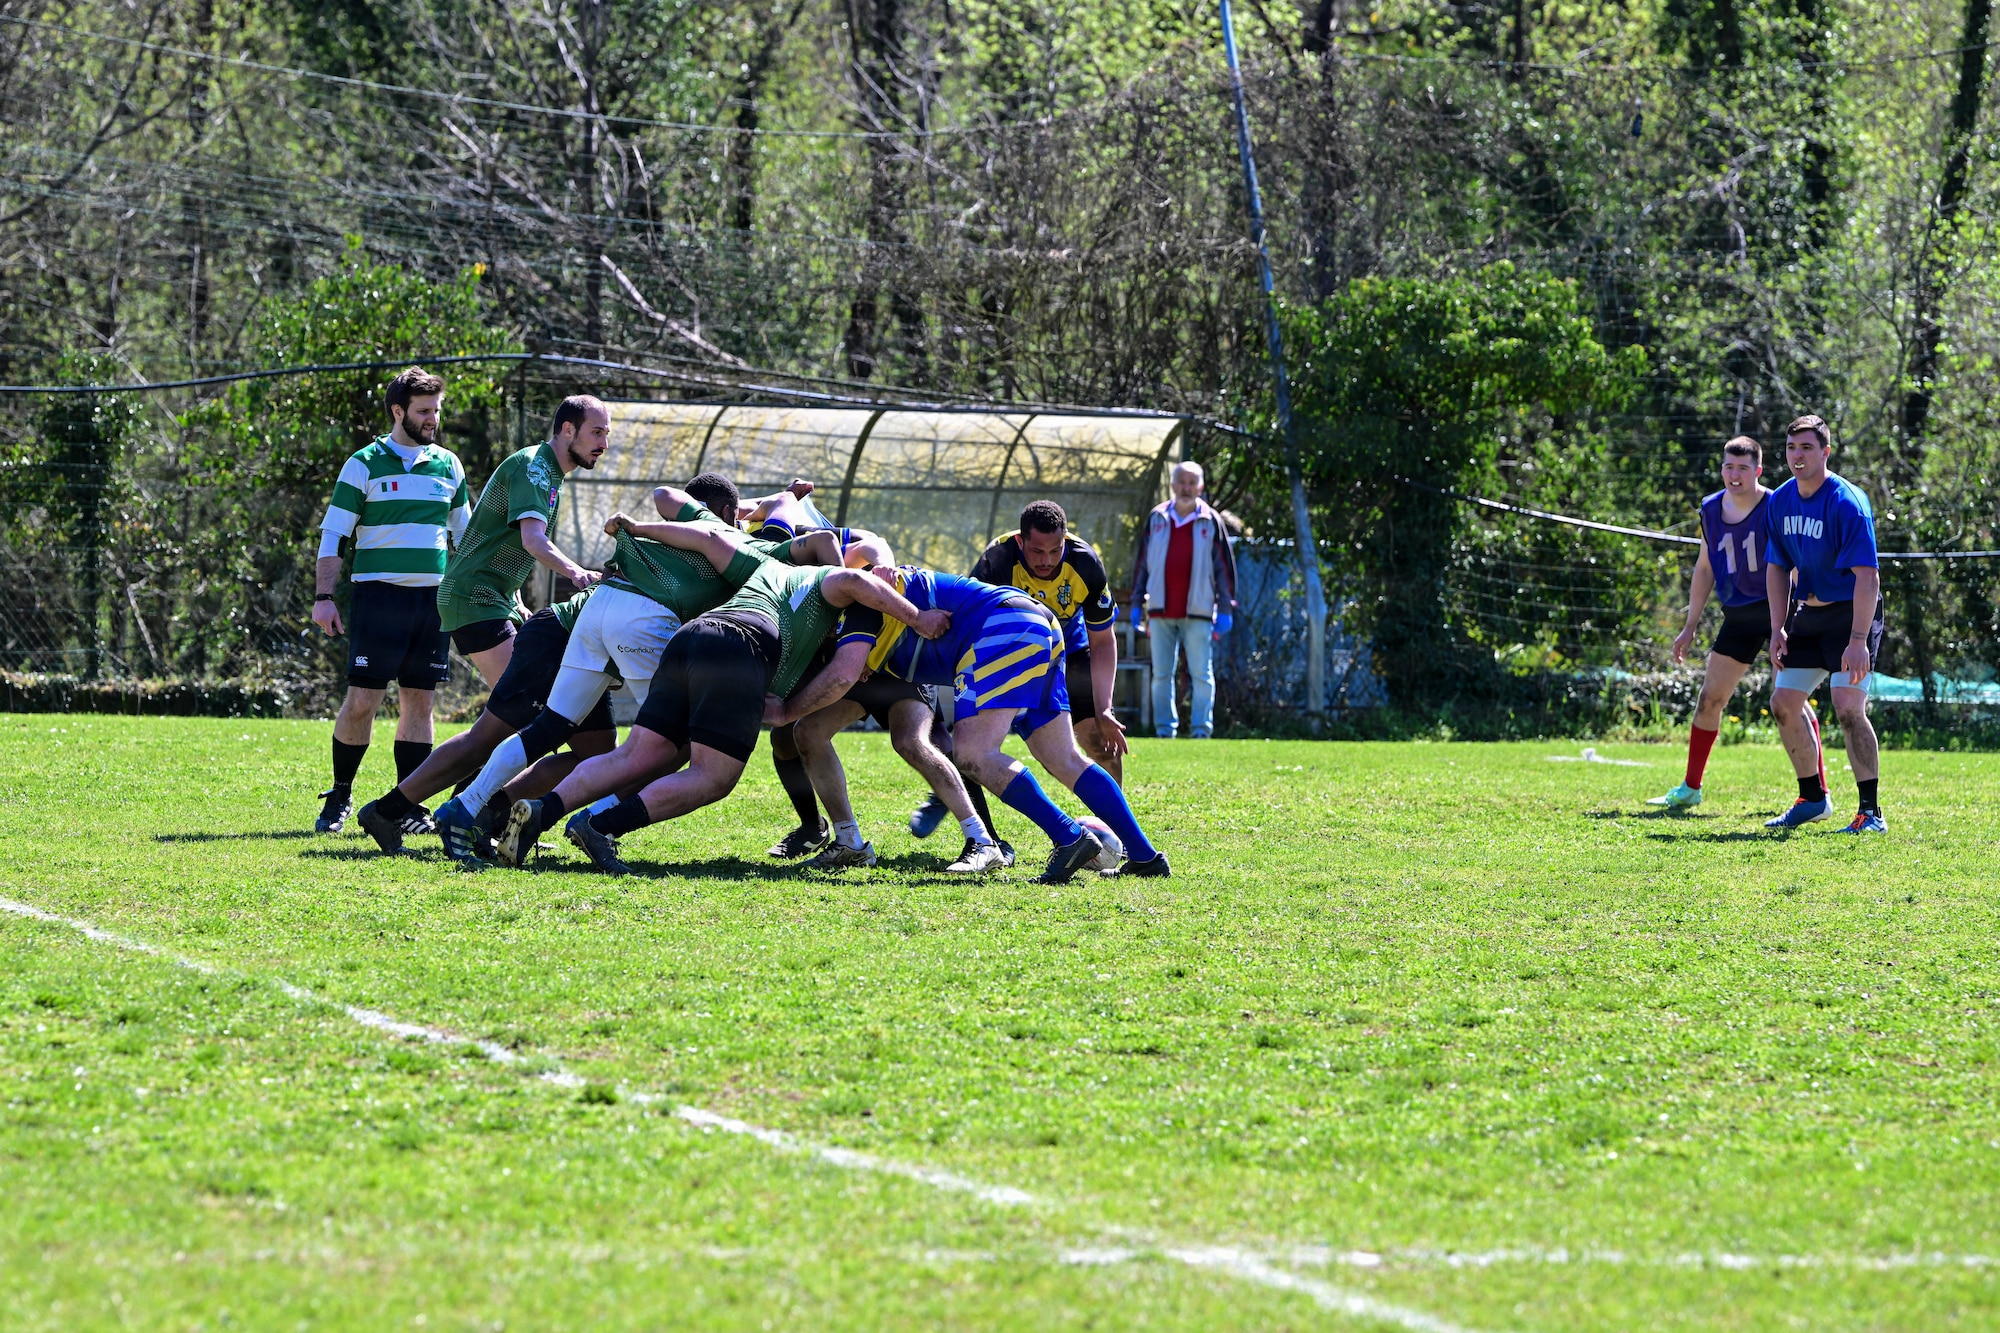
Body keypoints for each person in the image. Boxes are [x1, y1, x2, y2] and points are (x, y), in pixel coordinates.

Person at [429, 478, 835, 864]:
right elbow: (815, 538)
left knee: (549, 726)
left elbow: (665, 494)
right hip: (645, 618)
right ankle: (595, 819)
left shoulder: (701, 518)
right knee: (664, 745)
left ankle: (462, 809)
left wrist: (745, 508)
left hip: (601, 603)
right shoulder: (766, 558)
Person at [493, 559, 946, 873]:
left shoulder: (769, 570)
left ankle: (540, 811)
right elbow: (854, 581)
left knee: (639, 753)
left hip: (692, 637)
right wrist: (917, 617)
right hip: (740, 645)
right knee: (714, 777)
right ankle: (600, 826)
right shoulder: (825, 579)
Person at [781, 563, 1169, 884]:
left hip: (1002, 628)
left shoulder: (856, 597)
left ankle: (1068, 838)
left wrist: (781, 712)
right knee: (1063, 756)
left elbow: (842, 671)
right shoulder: (857, 610)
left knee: (972, 755)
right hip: (1033, 621)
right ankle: (1146, 857)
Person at [309, 367, 471, 834]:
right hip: (378, 598)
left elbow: (467, 537)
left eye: (437, 410)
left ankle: (408, 805)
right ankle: (340, 795)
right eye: (424, 411)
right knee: (363, 699)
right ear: (398, 411)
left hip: (432, 603)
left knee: (419, 704)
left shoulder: (450, 465)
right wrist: (324, 597)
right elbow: (334, 535)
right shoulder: (363, 463)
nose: (433, 420)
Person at [352, 583, 616, 853]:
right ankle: (388, 811)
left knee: (600, 756)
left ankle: (485, 816)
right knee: (486, 738)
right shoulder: (648, 554)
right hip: (558, 639)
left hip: (588, 650)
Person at [1648, 436, 1823, 810]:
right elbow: (1705, 566)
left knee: (1790, 701)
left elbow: (1796, 561)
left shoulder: (1777, 503)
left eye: (1743, 468)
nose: (1735, 474)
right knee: (1710, 698)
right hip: (1739, 615)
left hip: (1780, 612)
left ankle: (1816, 792)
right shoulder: (1710, 509)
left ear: (1758, 471)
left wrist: (1795, 615)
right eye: (1729, 466)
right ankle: (1690, 788)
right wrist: (1690, 624)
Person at [1761, 414, 1886, 834]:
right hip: (1808, 616)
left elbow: (1868, 577)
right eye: (1792, 448)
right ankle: (1813, 798)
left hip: (1851, 614)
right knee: (1783, 703)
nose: (1798, 456)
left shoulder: (1846, 501)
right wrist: (1778, 627)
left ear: (1826, 452)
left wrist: (1857, 640)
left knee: (1848, 709)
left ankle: (1870, 813)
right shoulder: (1779, 501)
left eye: (1807, 448)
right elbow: (1776, 569)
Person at [433, 395, 608, 689]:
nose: (604, 445)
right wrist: (578, 573)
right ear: (568, 430)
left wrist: (517, 600)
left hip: (495, 599)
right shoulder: (535, 469)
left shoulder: (550, 473)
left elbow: (505, 541)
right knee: (523, 700)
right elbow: (532, 540)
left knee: (518, 708)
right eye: (597, 432)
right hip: (474, 597)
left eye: (606, 434)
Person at [1130, 461, 1238, 740]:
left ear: (1201, 486)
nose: (1187, 488)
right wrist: (1135, 602)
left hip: (1199, 611)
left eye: (1192, 482)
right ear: (1173, 485)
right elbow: (1142, 563)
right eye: (1182, 482)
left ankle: (1201, 730)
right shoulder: (1157, 518)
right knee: (1162, 675)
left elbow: (1224, 568)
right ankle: (1165, 731)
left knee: (1202, 675)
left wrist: (1225, 608)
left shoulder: (1210, 520)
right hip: (1160, 611)